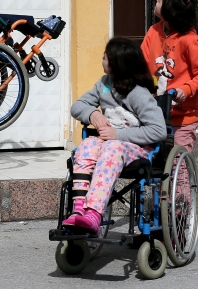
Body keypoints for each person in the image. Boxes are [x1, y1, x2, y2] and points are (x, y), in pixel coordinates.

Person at [65, 38, 167, 234]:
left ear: (117, 64)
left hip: (135, 149)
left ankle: (94, 213)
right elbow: (77, 106)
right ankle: (79, 209)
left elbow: (158, 130)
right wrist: (93, 114)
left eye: (105, 58)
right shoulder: (104, 84)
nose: (102, 60)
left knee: (112, 147)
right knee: (86, 145)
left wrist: (117, 134)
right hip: (108, 145)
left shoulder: (138, 94)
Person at [141, 0, 198, 153]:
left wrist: (186, 89)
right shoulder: (153, 32)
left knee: (177, 166)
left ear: (169, 12)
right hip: (154, 114)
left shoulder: (190, 41)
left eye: (160, 0)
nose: (156, 1)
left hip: (182, 118)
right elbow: (142, 64)